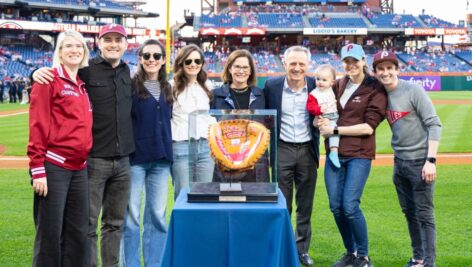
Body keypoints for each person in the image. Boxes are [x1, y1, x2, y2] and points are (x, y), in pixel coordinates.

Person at [32, 23, 134, 267]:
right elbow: (40, 117)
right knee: (72, 228)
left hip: (105, 164)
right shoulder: (79, 73)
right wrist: (35, 73)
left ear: (125, 45)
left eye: (117, 40)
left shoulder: (123, 72)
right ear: (98, 43)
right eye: (107, 39)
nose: (113, 44)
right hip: (81, 162)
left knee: (99, 226)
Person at [317, 44, 387, 267]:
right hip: (334, 154)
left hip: (359, 154)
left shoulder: (375, 87)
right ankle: (351, 252)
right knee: (335, 206)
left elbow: (369, 127)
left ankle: (364, 257)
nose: (351, 65)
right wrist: (320, 121)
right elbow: (326, 111)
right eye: (346, 61)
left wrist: (334, 130)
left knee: (350, 205)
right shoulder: (338, 84)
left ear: (363, 61)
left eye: (354, 61)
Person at [28, 29, 92, 267]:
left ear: (84, 52)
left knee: (77, 235)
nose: (74, 50)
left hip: (80, 169)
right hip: (54, 166)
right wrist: (38, 168)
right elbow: (38, 124)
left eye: (78, 46)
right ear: (60, 52)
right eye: (68, 46)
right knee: (49, 233)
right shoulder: (48, 80)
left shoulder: (81, 85)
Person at [372, 50, 442, 267]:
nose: (385, 73)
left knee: (424, 215)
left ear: (397, 69)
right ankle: (418, 257)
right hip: (399, 163)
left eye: (389, 68)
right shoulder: (379, 96)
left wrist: (430, 161)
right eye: (381, 69)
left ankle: (429, 263)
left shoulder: (413, 91)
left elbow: (434, 124)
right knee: (410, 213)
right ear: (375, 72)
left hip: (420, 162)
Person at [264, 45, 319, 267]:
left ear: (308, 65)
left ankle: (301, 250)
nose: (297, 68)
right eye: (292, 63)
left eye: (301, 64)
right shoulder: (272, 86)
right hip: (282, 148)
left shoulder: (316, 85)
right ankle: (282, 248)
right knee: (281, 204)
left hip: (307, 149)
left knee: (305, 205)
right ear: (284, 64)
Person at [119, 39, 173, 267]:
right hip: (136, 159)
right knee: (131, 218)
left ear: (162, 60)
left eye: (157, 56)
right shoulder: (129, 85)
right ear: (139, 58)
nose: (152, 60)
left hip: (161, 160)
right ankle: (130, 264)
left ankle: (154, 263)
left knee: (158, 217)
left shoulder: (169, 87)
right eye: (147, 55)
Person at [210, 49, 267, 182]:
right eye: (237, 66)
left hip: (255, 158)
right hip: (226, 160)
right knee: (227, 200)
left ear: (251, 70)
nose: (241, 71)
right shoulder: (215, 95)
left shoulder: (261, 95)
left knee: (255, 200)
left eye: (245, 67)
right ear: (230, 68)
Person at [171, 44, 215, 200]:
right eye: (188, 61)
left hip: (205, 147)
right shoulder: (172, 87)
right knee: (182, 196)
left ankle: (202, 225)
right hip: (181, 146)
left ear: (202, 63)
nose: (193, 64)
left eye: (197, 61)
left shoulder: (208, 86)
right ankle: (183, 225)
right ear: (181, 63)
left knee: (204, 195)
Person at [306, 64, 340, 168]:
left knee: (339, 130)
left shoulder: (332, 90)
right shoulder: (314, 93)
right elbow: (310, 106)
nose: (320, 82)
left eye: (324, 80)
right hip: (325, 118)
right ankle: (334, 151)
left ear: (332, 82)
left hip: (336, 115)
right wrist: (318, 110)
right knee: (335, 131)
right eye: (318, 79)